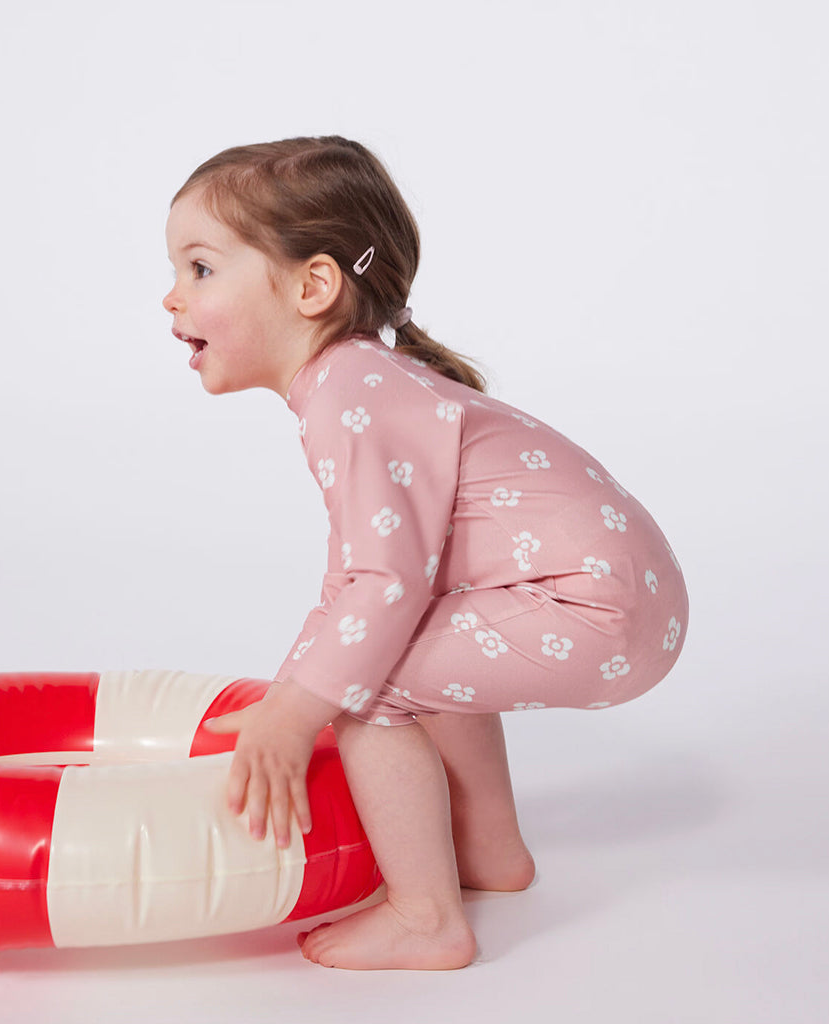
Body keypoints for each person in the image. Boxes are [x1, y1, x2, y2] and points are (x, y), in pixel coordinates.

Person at [162, 136, 689, 971]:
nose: (170, 297)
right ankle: (489, 851)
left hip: (594, 609)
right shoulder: (362, 379)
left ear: (313, 284)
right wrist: (285, 693)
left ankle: (425, 918)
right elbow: (360, 585)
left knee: (368, 687)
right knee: (389, 648)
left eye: (200, 269)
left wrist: (301, 709)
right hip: (624, 604)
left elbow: (379, 588)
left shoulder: (349, 391)